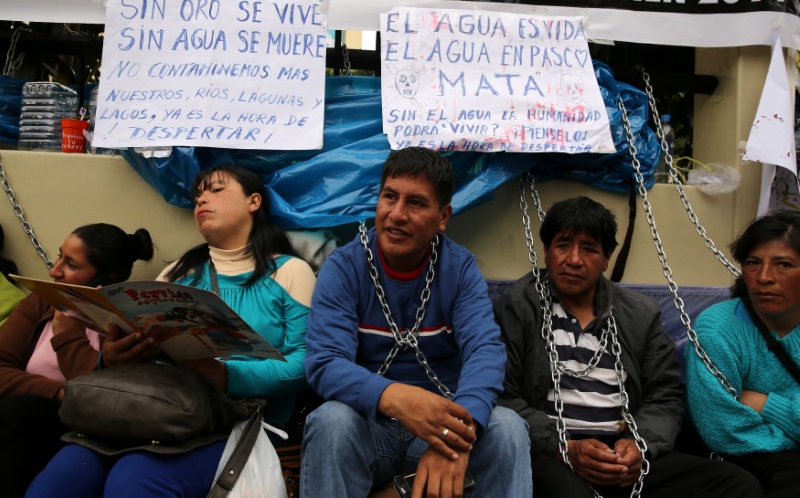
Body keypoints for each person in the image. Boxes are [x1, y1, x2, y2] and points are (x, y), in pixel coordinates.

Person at [26, 164, 316, 497]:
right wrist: (113, 357)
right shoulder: (179, 271)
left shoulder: (291, 272)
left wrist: (226, 375)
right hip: (157, 411)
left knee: (134, 480)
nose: (202, 199)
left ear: (254, 202)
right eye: (197, 195)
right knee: (61, 477)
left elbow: (305, 364)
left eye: (216, 190)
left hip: (240, 422)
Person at [301, 147, 531, 498]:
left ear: (443, 217)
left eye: (416, 203)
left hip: (440, 424)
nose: (396, 214)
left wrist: (454, 437)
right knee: (331, 421)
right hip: (371, 428)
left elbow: (485, 351)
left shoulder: (460, 268)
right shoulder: (345, 266)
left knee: (508, 429)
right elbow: (325, 362)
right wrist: (394, 397)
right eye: (389, 197)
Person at [495, 195, 762, 498]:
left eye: (590, 249)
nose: (574, 259)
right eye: (563, 245)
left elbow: (665, 396)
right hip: (551, 452)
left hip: (622, 453)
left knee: (737, 485)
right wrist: (562, 447)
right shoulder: (518, 307)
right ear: (546, 251)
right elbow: (502, 397)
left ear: (607, 258)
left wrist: (640, 444)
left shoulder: (640, 314)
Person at [0, 223, 154, 498]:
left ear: (104, 278)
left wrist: (67, 333)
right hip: (23, 417)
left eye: (70, 264)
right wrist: (58, 393)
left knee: (21, 412)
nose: (54, 270)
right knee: (20, 409)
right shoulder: (41, 302)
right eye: (59, 256)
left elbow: (97, 397)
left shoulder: (123, 328)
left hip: (81, 432)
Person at [685, 211, 800, 497]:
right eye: (752, 263)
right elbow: (723, 428)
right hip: (742, 458)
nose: (763, 277)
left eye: (783, 265)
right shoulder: (718, 329)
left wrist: (765, 403)